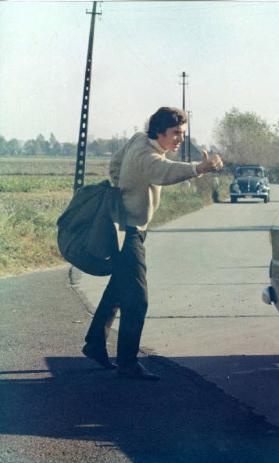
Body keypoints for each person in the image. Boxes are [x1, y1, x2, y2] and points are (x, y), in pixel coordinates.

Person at [82, 107, 223, 380]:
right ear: (160, 132)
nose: (180, 140)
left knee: (119, 288)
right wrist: (200, 168)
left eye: (182, 134)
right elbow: (164, 172)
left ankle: (96, 343)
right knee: (137, 300)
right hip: (130, 231)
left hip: (125, 226)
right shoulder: (147, 155)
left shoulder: (138, 139)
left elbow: (115, 165)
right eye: (176, 134)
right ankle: (127, 363)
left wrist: (122, 188)